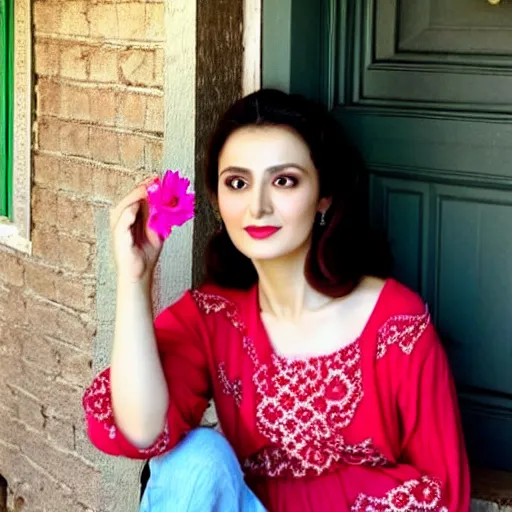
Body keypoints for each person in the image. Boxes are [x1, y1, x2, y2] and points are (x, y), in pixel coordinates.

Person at [82, 89, 471, 511]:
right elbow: (142, 431)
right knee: (195, 460)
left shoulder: (397, 325)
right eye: (238, 183)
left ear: (323, 195)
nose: (258, 206)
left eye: (284, 180)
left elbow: (442, 491)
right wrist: (135, 279)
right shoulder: (213, 317)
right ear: (217, 199)